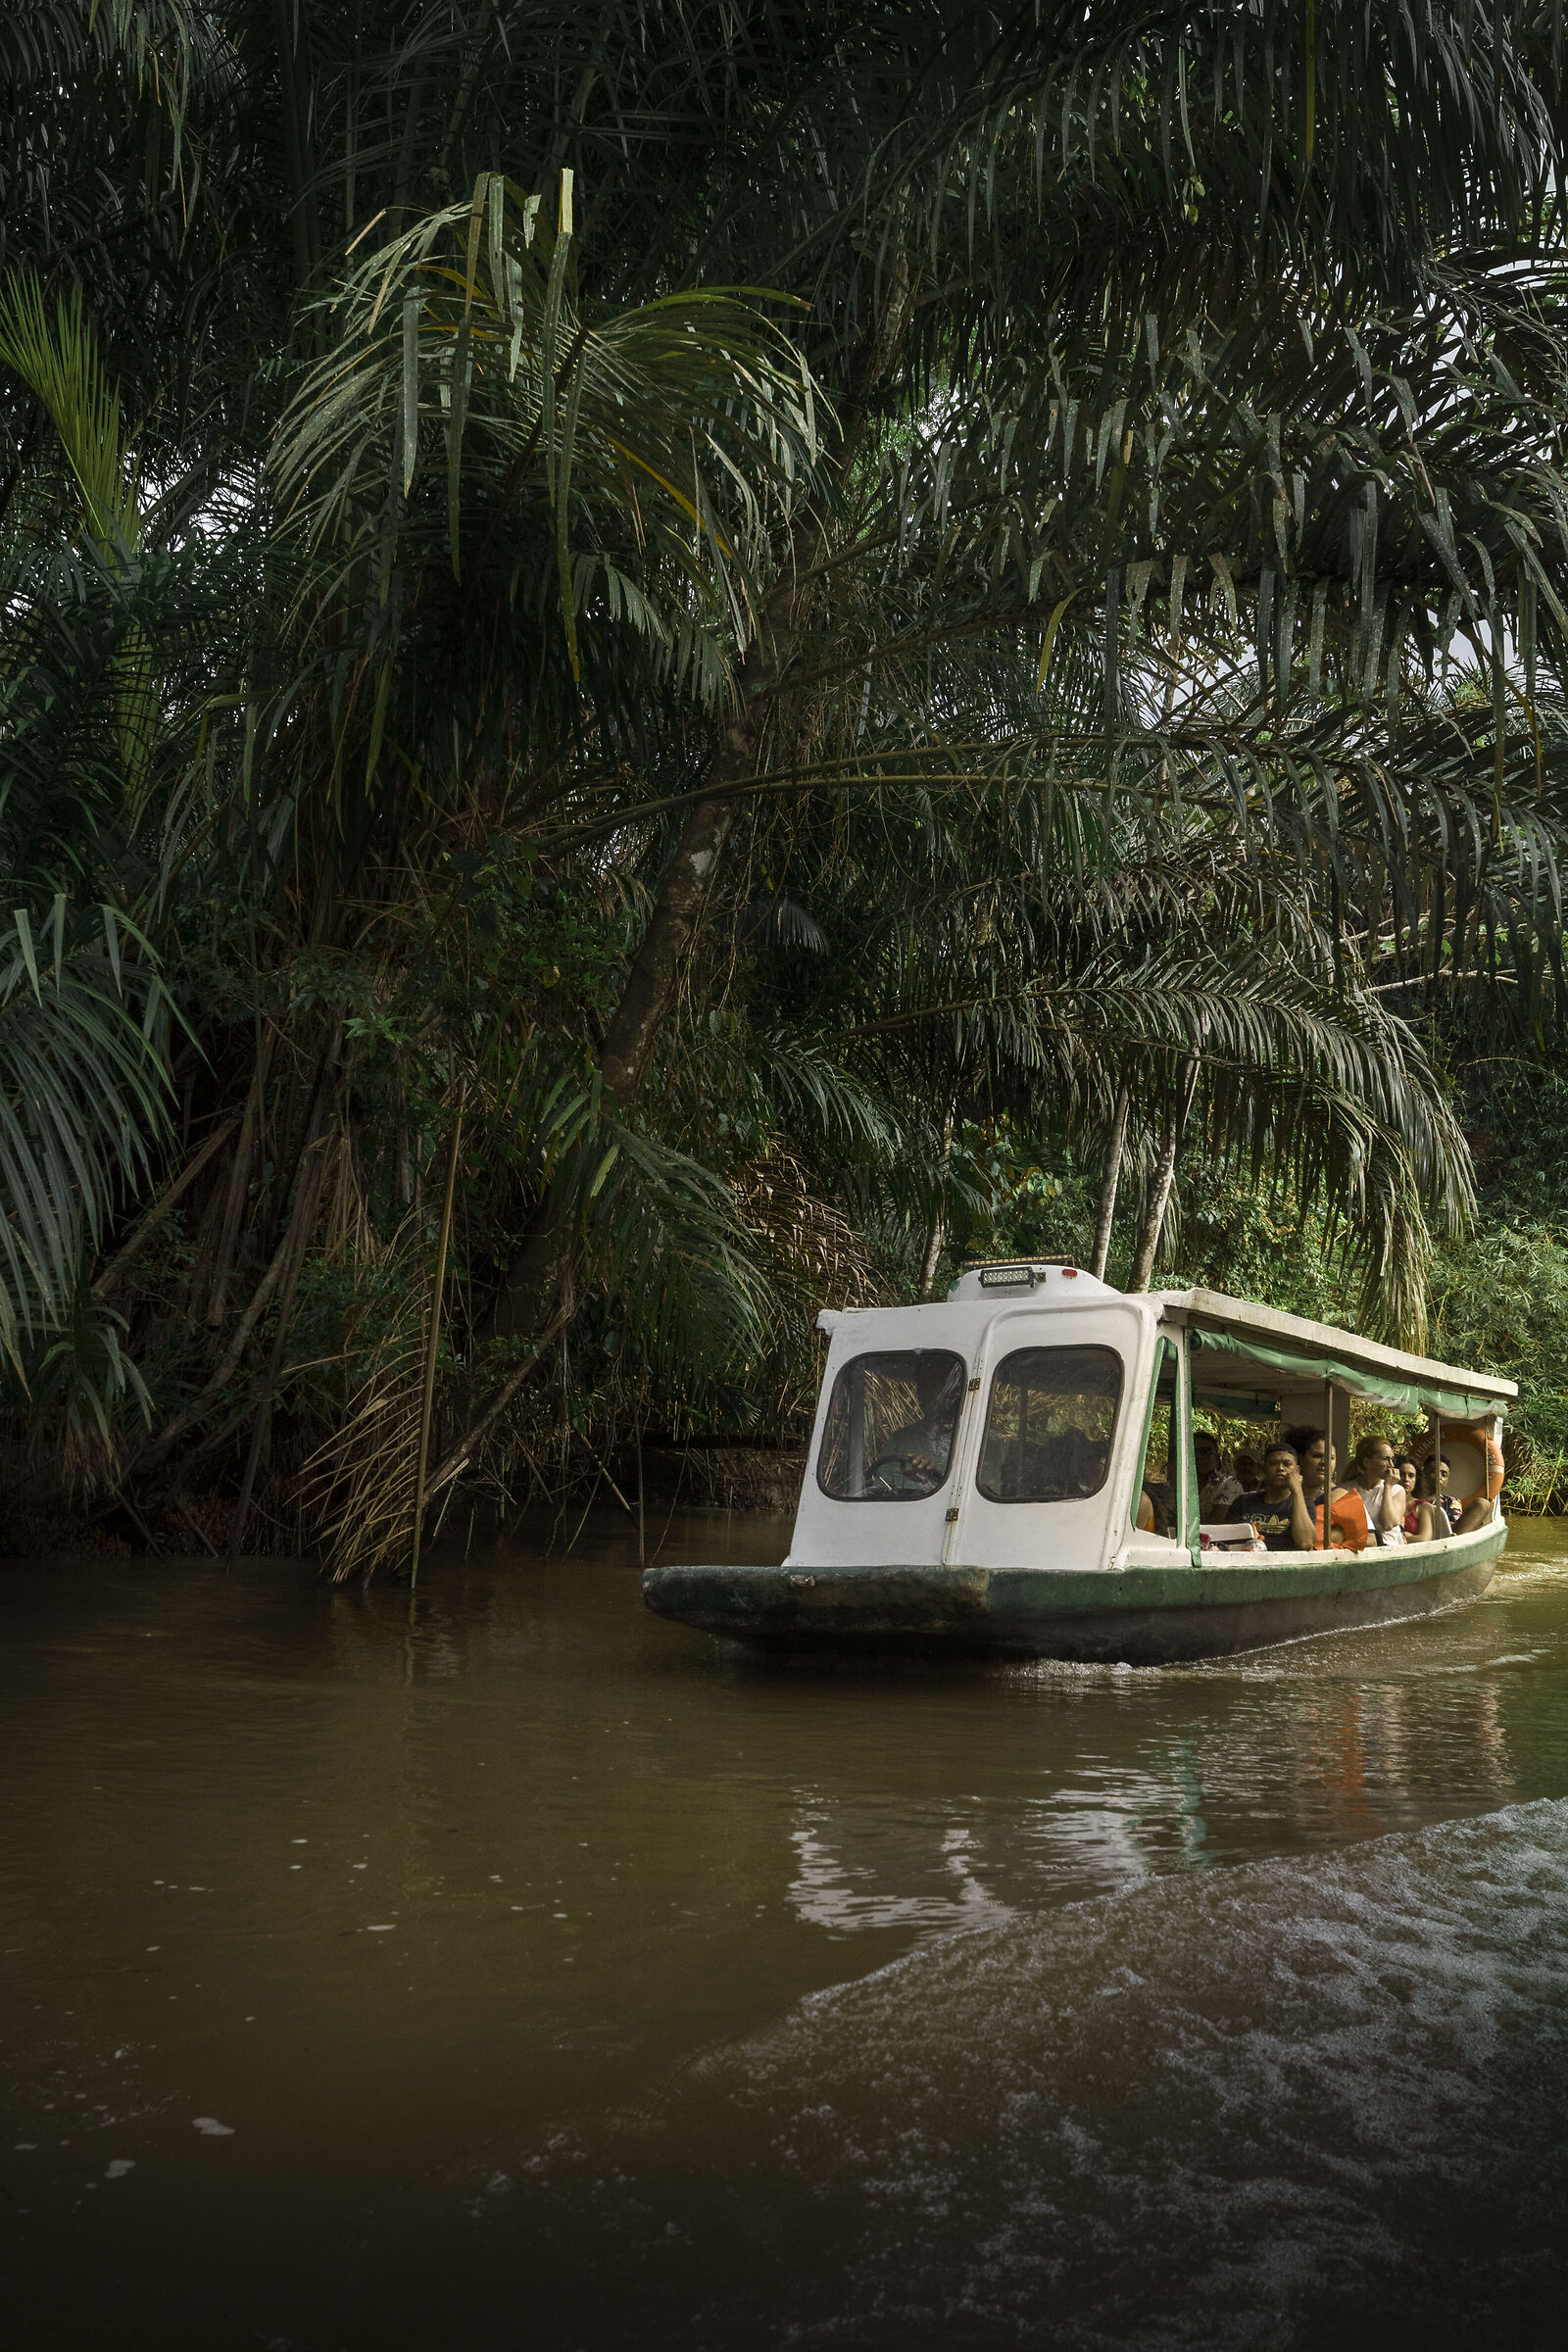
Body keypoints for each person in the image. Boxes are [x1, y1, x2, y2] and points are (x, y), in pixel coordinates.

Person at [872, 1357, 963, 1495]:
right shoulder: (900, 1440)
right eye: (922, 1386)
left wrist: (932, 1479)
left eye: (934, 1386)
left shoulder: (982, 1441)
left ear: (954, 1392)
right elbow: (881, 1490)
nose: (925, 1394)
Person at [1231, 1442, 1317, 1551]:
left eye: (1287, 1464)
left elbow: (1305, 1543)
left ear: (1297, 1471)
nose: (1280, 1468)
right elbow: (1226, 1541)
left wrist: (1297, 1491)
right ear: (1264, 1469)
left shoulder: (1305, 1505)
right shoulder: (1242, 1502)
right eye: (1273, 1463)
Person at [1297, 1430, 1369, 1550]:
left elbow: (1370, 1539)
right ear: (1302, 1459)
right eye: (1317, 1456)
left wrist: (1330, 1538)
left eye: (1331, 1458)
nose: (1324, 1462)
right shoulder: (1286, 1492)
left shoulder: (1344, 1498)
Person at [1346, 1434, 1408, 1546]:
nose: (1391, 1465)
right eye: (1386, 1459)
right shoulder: (1346, 1490)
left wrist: (1387, 1487)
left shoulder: (1397, 1490)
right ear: (1367, 1462)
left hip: (1390, 1550)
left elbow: (1388, 1524)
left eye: (1392, 1459)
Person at [1194, 1432, 1242, 1519]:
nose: (1199, 1457)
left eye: (1206, 1452)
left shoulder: (1228, 1484)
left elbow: (1216, 1521)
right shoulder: (1181, 1485)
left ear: (1216, 1458)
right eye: (1194, 1453)